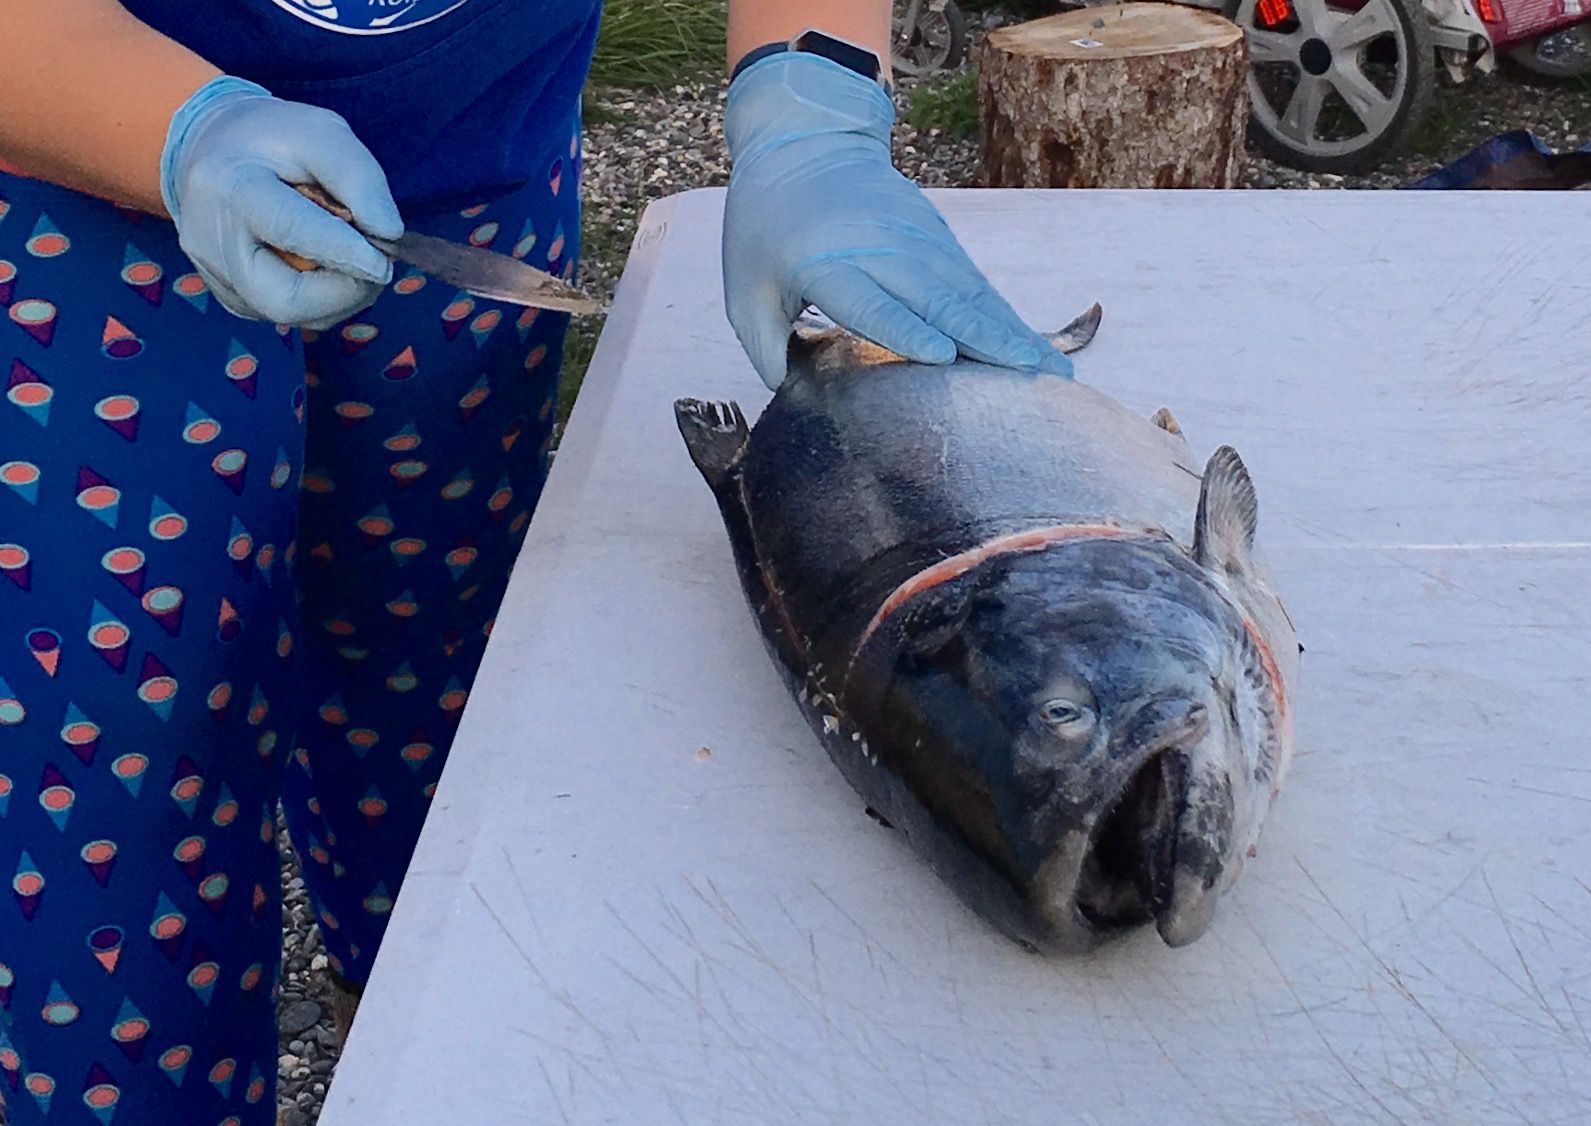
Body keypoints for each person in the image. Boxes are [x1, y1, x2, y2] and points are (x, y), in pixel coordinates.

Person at [0, 1, 1072, 1122]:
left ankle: (410, 1063)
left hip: (473, 158)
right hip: (72, 188)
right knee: (121, 781)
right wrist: (178, 128)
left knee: (437, 708)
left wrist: (810, 98)